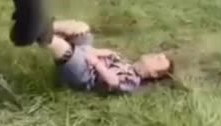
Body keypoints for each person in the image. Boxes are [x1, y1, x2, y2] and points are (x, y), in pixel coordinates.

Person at [46, 20, 174, 94]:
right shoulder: (125, 62)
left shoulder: (133, 81)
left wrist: (96, 63)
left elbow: (113, 81)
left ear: (154, 74)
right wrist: (100, 51)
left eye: (158, 60)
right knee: (82, 29)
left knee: (65, 49)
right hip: (86, 58)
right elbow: (98, 54)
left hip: (84, 76)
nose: (156, 55)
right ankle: (43, 26)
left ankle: (40, 32)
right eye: (158, 55)